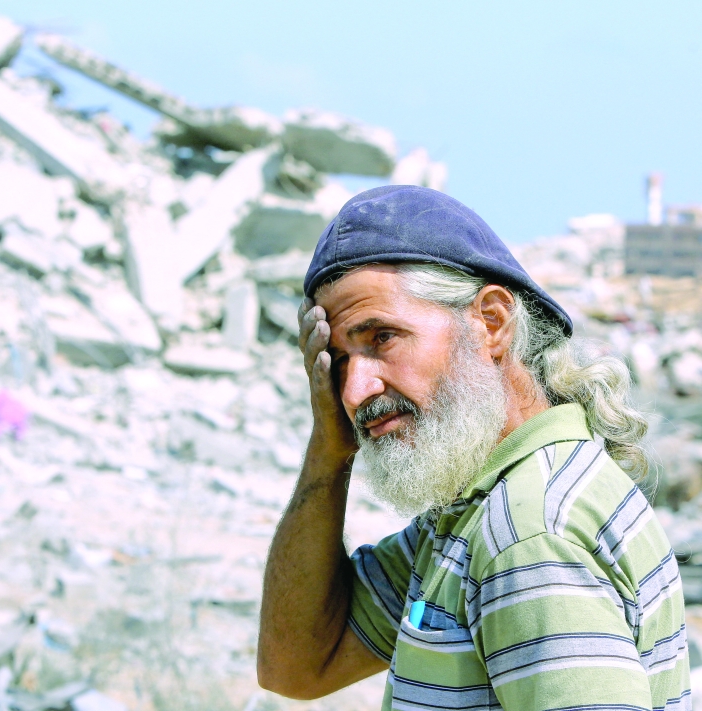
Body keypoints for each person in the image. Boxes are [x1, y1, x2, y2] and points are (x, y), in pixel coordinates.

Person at [257, 186, 690, 710]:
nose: (353, 391)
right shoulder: (476, 510)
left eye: (382, 339)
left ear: (491, 322)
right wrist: (328, 450)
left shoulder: (527, 535)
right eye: (340, 360)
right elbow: (299, 666)